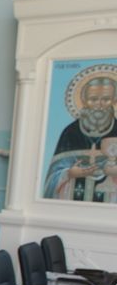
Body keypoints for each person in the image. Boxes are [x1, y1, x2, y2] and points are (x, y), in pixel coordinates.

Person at [44, 74, 117, 202]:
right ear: (84, 100)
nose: (99, 104)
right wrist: (69, 173)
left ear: (114, 100)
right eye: (93, 99)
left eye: (106, 99)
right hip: (72, 200)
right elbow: (53, 176)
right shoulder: (70, 132)